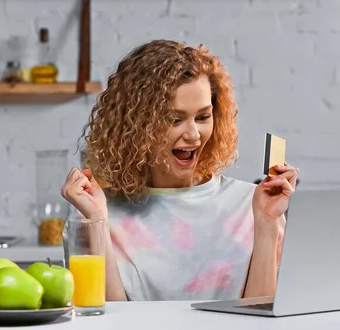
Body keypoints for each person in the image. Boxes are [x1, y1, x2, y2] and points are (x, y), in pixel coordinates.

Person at [61, 39, 299, 302]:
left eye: (203, 117)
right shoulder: (98, 214)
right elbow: (111, 321)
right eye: (175, 120)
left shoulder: (251, 205)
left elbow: (261, 319)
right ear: (138, 126)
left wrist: (267, 222)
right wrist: (98, 220)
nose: (194, 134)